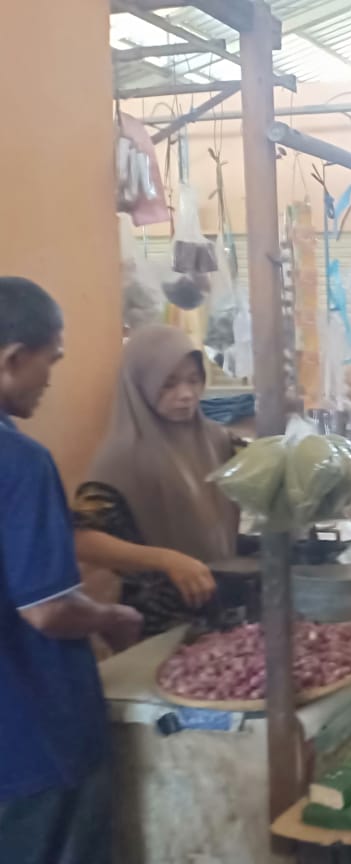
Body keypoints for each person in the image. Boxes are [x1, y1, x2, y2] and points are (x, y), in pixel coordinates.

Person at [0, 276, 143, 864]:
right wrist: (111, 617)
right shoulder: (20, 462)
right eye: (50, 361)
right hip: (35, 736)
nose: (49, 379)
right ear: (13, 358)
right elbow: (48, 609)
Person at [73, 325, 239, 637]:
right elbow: (83, 539)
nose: (186, 394)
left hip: (218, 605)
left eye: (193, 380)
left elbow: (258, 475)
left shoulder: (217, 440)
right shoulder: (121, 457)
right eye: (168, 384)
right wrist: (166, 560)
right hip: (157, 620)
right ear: (140, 385)